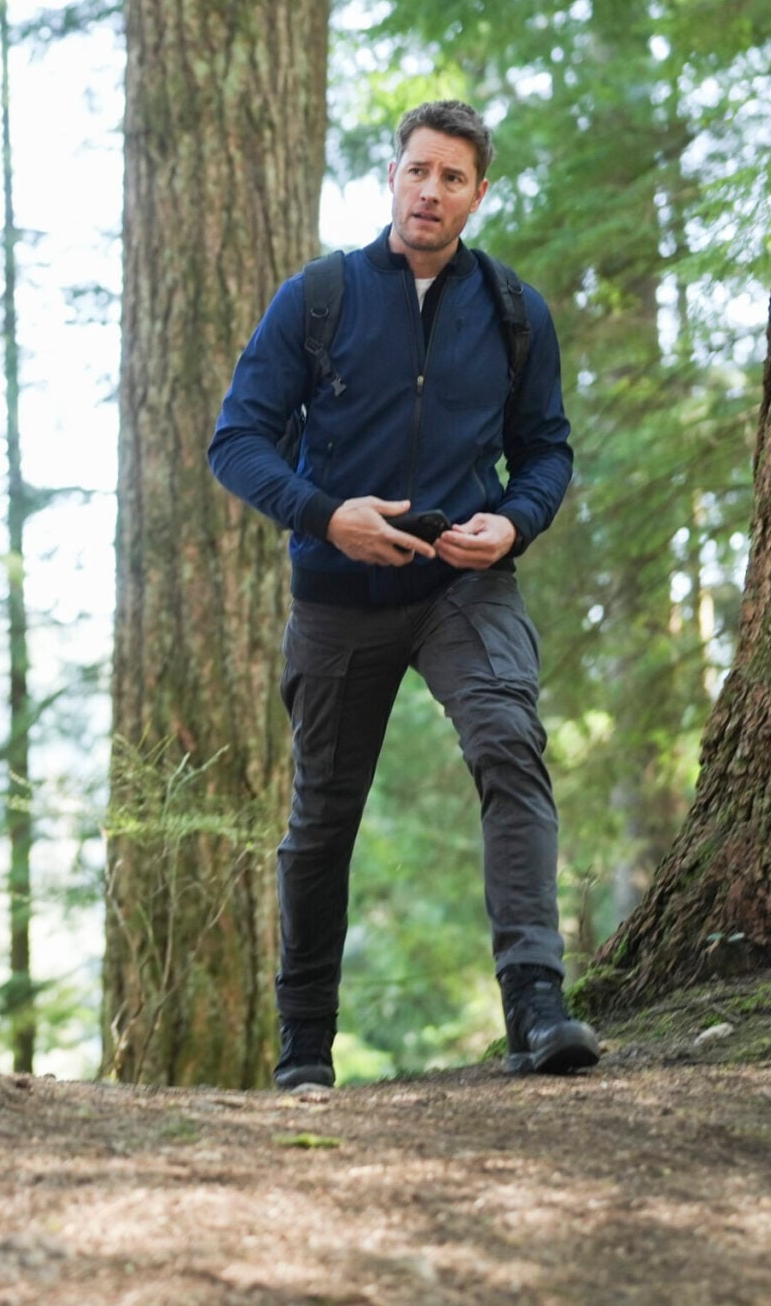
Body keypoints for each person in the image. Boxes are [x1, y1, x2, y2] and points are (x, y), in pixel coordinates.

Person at [207, 99, 600, 1088]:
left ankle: (537, 1006)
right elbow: (237, 440)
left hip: (463, 589)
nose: (430, 191)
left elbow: (546, 451)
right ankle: (302, 1052)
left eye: (452, 177)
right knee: (320, 819)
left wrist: (513, 521)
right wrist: (320, 513)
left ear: (477, 195)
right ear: (392, 176)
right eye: (417, 170)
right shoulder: (320, 297)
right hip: (339, 597)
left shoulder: (513, 312)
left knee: (509, 742)